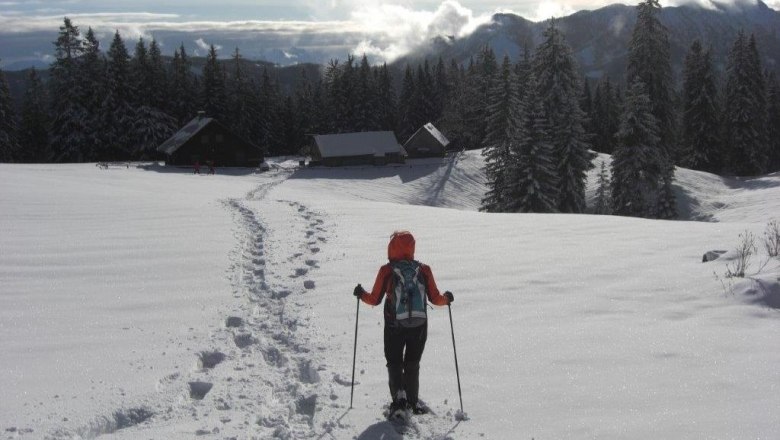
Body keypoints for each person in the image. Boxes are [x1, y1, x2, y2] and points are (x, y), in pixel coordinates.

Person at [353, 230, 454, 415]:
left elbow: (375, 299)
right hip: (419, 325)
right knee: (412, 363)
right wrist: (447, 299)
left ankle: (399, 399)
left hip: (394, 325)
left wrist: (361, 294)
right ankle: (413, 401)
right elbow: (436, 298)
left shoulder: (387, 270)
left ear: (392, 248)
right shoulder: (424, 269)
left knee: (394, 361)